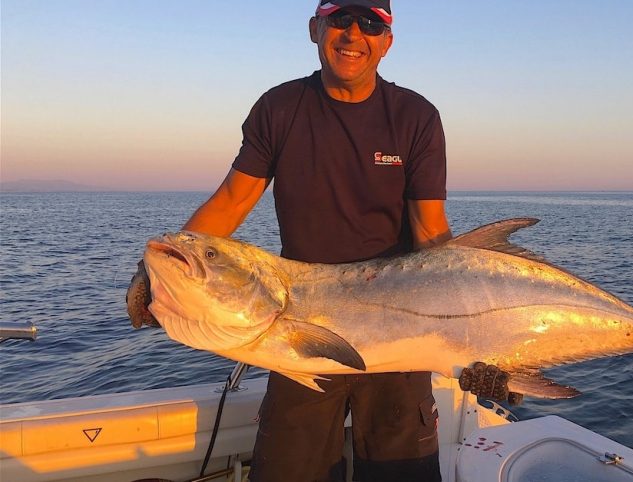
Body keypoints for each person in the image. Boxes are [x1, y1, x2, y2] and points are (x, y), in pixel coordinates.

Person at [127, 1, 512, 480]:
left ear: (387, 42)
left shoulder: (415, 116)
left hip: (400, 326)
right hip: (298, 323)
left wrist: (480, 344)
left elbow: (433, 234)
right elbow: (230, 202)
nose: (354, 34)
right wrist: (157, 269)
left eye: (371, 23)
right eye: (340, 19)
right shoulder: (281, 107)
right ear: (315, 29)